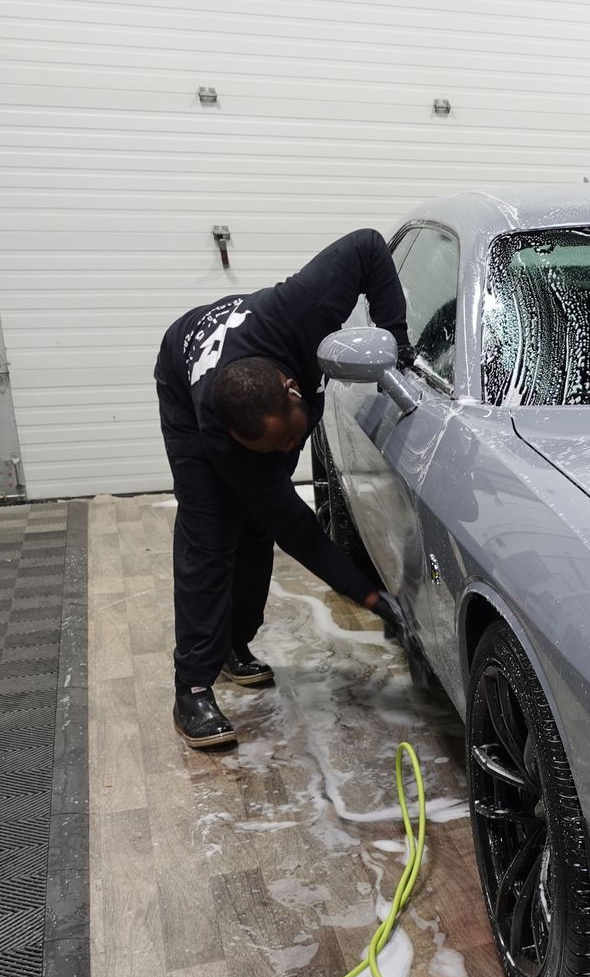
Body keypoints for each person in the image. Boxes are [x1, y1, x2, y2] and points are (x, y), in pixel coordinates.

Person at [154, 229, 411, 748]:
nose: (286, 453)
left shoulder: (303, 307)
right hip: (182, 377)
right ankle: (193, 688)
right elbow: (296, 527)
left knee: (254, 530)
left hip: (253, 354)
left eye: (291, 439)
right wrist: (368, 595)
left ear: (293, 390)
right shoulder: (218, 432)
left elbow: (367, 246)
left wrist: (397, 348)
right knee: (212, 536)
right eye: (270, 450)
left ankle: (233, 644)